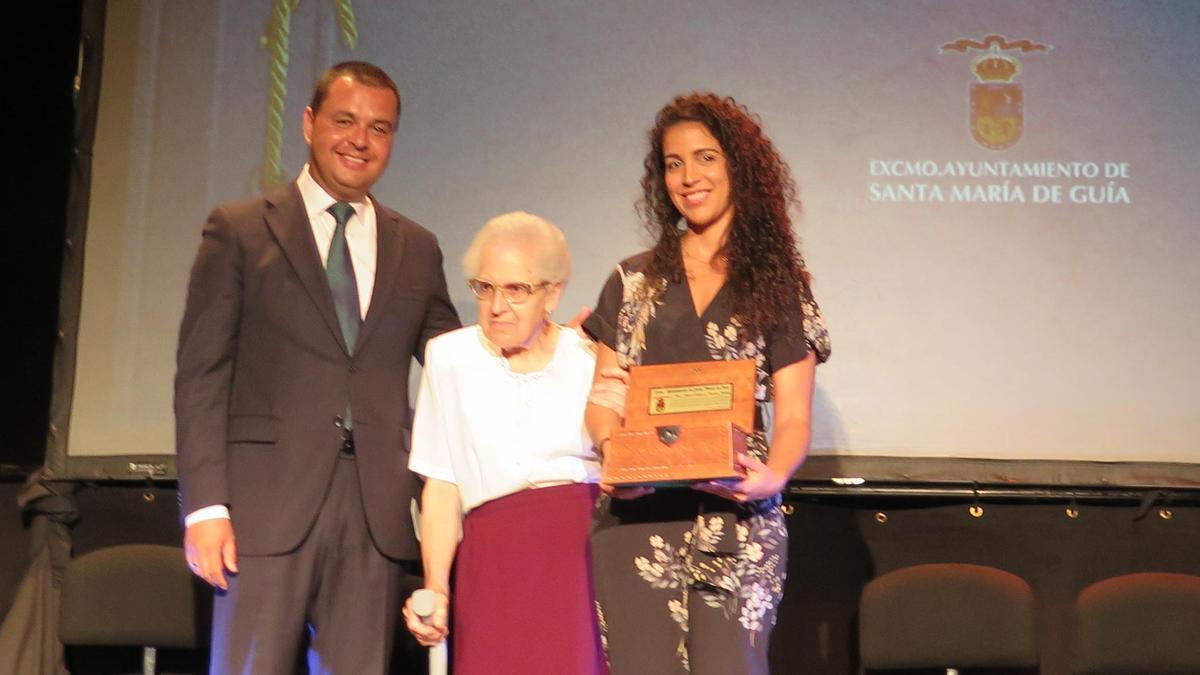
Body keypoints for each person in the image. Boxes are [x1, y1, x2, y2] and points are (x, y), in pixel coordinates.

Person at [175, 61, 460, 673]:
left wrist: (539, 339)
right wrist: (205, 507)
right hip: (262, 508)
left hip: (374, 510)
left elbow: (453, 359)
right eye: (345, 121)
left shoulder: (416, 246)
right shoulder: (241, 230)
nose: (360, 140)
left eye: (379, 128)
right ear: (309, 123)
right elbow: (201, 375)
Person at [582, 93, 831, 675]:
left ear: (738, 168)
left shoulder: (779, 286)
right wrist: (613, 456)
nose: (688, 177)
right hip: (637, 523)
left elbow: (794, 416)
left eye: (705, 158)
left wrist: (773, 475)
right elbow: (603, 400)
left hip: (738, 523)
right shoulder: (631, 282)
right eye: (673, 163)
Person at [401, 212, 606, 675]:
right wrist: (436, 587)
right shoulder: (449, 357)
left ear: (552, 293)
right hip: (493, 560)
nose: (496, 305)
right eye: (484, 287)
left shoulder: (588, 357)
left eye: (517, 290)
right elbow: (441, 484)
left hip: (580, 558)